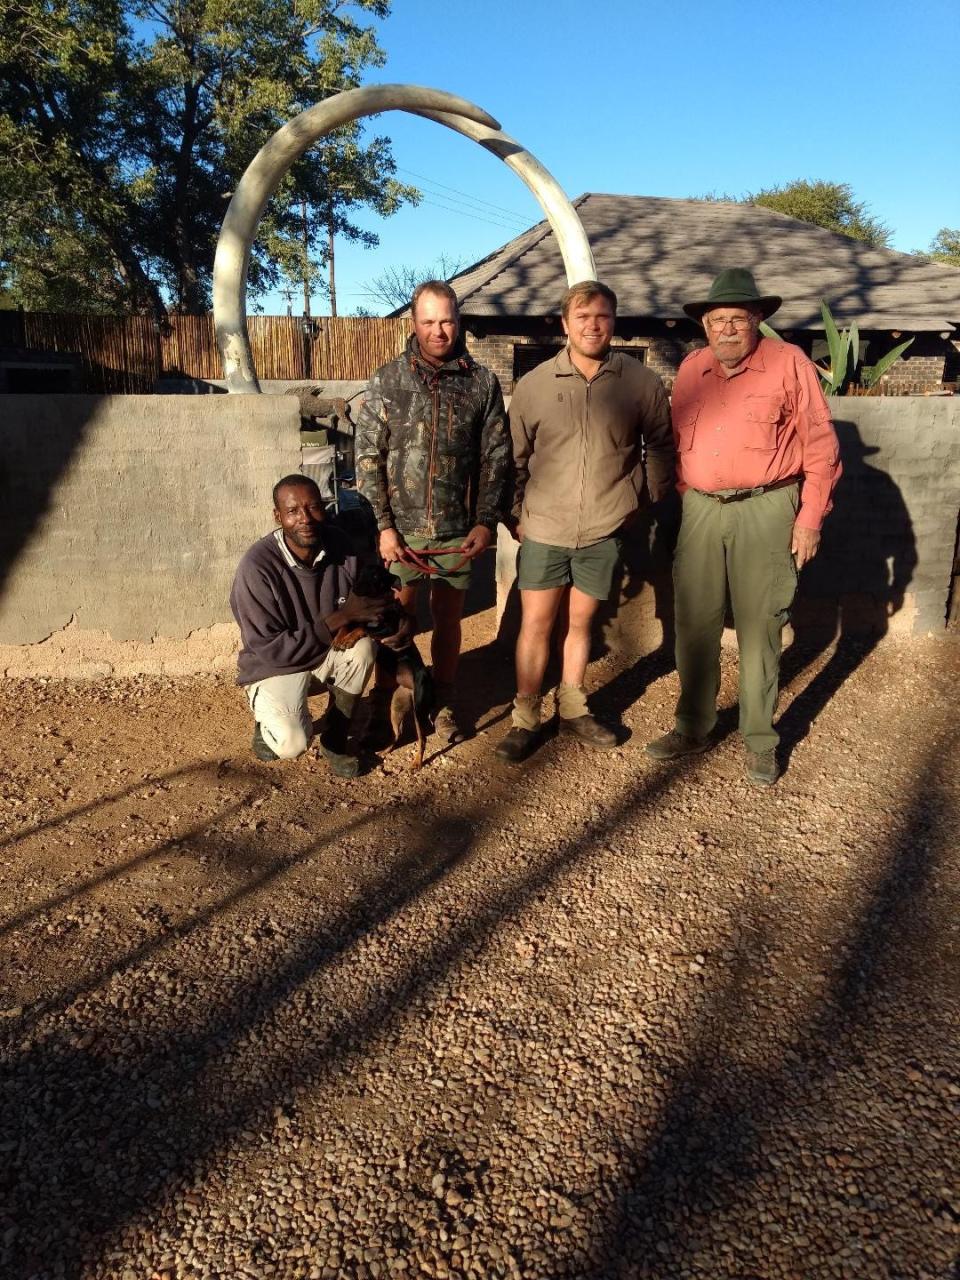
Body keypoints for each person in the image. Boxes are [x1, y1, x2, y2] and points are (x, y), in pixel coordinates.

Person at [645, 268, 842, 786]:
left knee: (761, 625)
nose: (727, 328)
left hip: (767, 505)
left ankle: (759, 738)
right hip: (703, 510)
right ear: (705, 325)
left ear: (757, 320)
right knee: (694, 621)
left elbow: (821, 446)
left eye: (738, 318)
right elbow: (676, 443)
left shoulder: (789, 364)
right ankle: (693, 727)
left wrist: (809, 519)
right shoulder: (690, 369)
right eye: (717, 320)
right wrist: (689, 496)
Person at [495, 280, 676, 764]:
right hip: (544, 528)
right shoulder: (534, 386)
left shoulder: (639, 382)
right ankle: (526, 716)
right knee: (535, 623)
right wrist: (514, 516)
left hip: (604, 528)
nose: (593, 325)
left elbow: (659, 446)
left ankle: (573, 706)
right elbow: (513, 459)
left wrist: (644, 502)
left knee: (581, 623)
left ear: (614, 322)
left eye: (603, 316)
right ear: (564, 324)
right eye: (583, 317)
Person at [355, 280, 511, 743]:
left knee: (448, 620)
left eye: (446, 320)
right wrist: (383, 527)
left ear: (458, 321)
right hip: (399, 533)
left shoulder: (481, 382)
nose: (438, 330)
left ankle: (442, 701)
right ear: (414, 323)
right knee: (394, 624)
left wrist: (485, 520)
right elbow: (368, 458)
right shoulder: (388, 379)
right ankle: (386, 703)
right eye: (429, 321)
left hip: (455, 531)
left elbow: (496, 457)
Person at [230, 475, 406, 777]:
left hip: (322, 655)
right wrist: (342, 616)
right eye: (293, 511)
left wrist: (389, 617)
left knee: (362, 649)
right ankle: (265, 721)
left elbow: (368, 602)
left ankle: (335, 738)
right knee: (292, 743)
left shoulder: (341, 546)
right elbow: (273, 652)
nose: (305, 519)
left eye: (313, 508)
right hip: (275, 666)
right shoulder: (257, 567)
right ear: (278, 516)